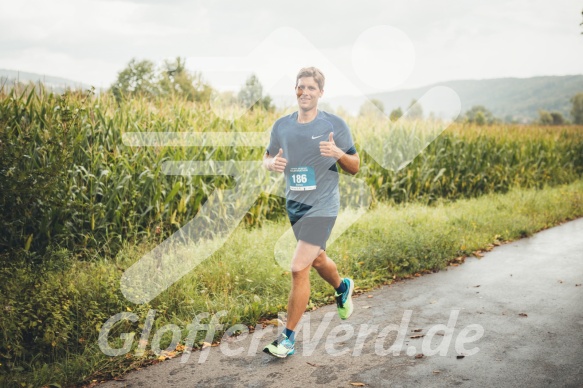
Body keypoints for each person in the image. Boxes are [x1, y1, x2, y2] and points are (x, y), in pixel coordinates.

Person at [262, 67, 360, 358]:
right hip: (295, 204)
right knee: (317, 259)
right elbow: (267, 157)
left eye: (311, 88)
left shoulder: (335, 124)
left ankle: (287, 339)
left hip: (323, 206)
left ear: (321, 93)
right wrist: (271, 165)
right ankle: (342, 287)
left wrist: (338, 154)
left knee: (297, 267)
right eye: (300, 87)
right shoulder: (282, 126)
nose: (304, 92)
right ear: (295, 90)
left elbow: (355, 166)